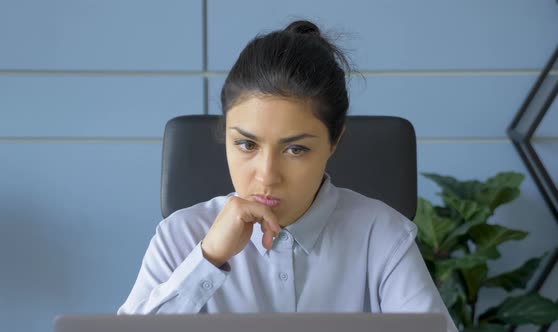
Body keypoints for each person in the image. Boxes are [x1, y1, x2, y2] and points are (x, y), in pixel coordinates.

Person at [118, 20, 458, 332]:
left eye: (295, 149)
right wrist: (207, 260)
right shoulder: (181, 236)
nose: (266, 176)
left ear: (334, 141)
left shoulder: (382, 237)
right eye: (246, 144)